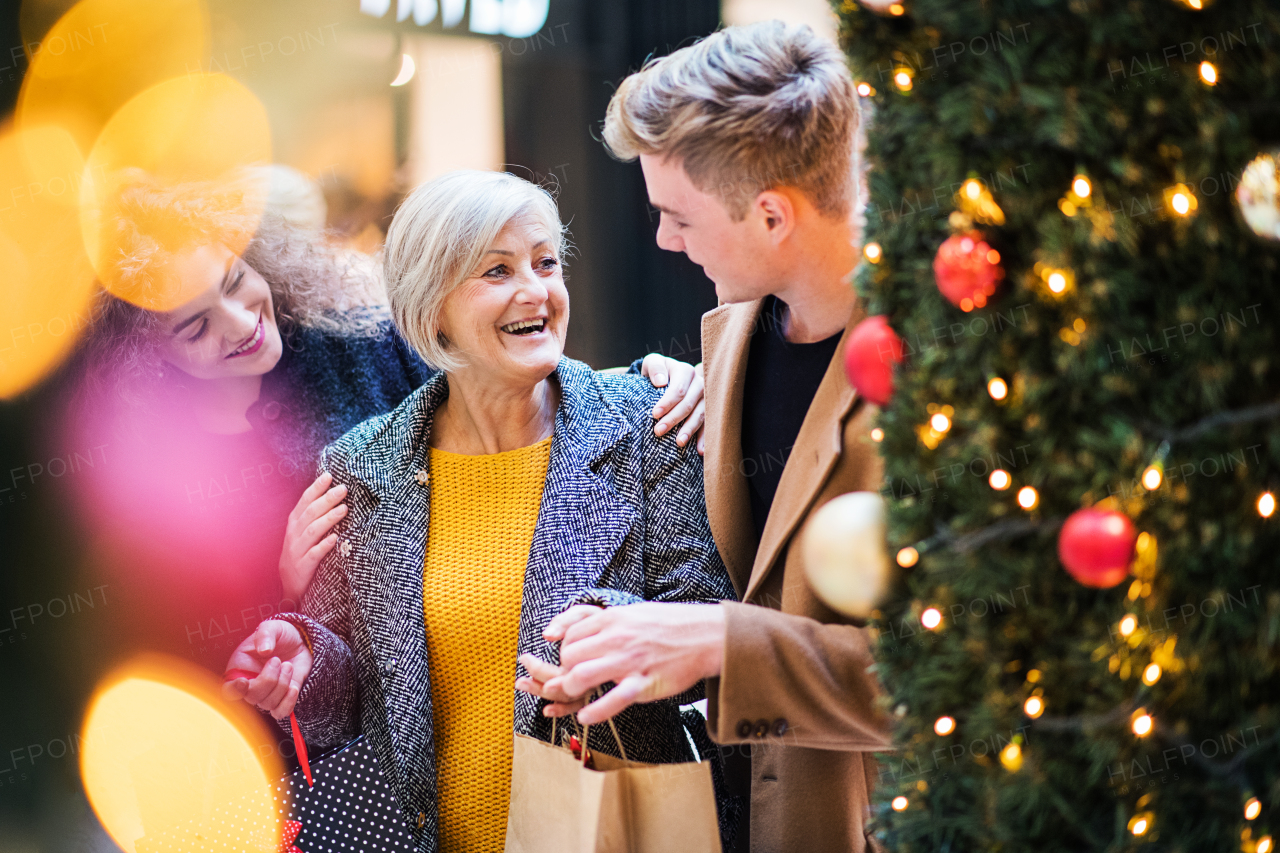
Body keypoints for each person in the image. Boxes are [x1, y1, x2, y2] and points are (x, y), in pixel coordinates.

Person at [222, 170, 738, 853]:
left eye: (546, 263)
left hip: (607, 831)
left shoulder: (651, 422)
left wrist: (607, 635)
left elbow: (708, 623)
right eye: (497, 270)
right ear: (432, 306)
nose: (537, 291)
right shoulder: (360, 467)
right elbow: (352, 703)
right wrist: (306, 657)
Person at [68, 169, 707, 675]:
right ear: (143, 357)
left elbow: (500, 373)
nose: (241, 323)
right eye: (195, 325)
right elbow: (183, 647)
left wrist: (644, 378)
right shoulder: (151, 463)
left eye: (238, 281)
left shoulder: (358, 340)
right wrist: (283, 585)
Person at [516, 21, 892, 853]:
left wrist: (720, 641)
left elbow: (974, 671)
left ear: (770, 215)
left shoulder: (947, 376)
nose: (662, 241)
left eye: (675, 214)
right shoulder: (719, 352)